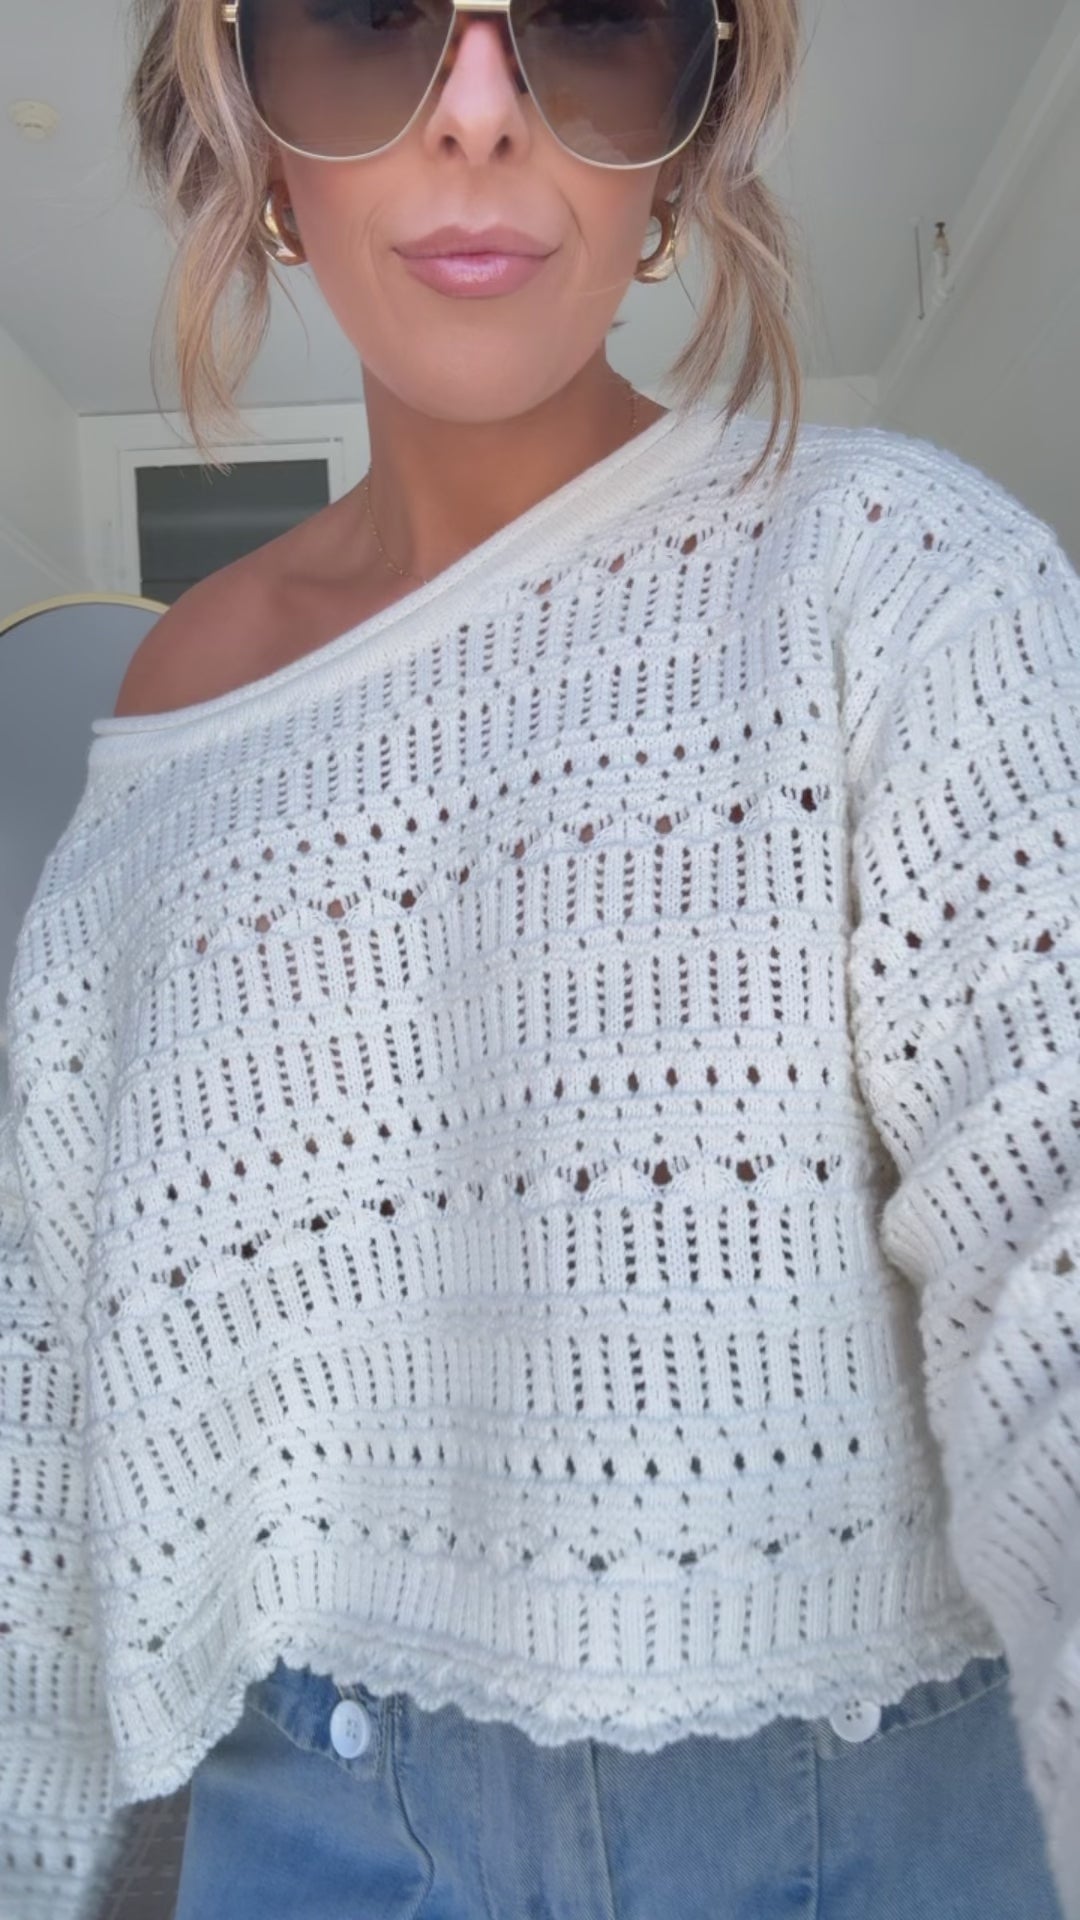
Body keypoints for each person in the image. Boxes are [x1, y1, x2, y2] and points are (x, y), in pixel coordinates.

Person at [1, 0, 1077, 1914]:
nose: (480, 114)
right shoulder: (168, 715)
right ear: (251, 118)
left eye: (589, 22)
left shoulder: (906, 578)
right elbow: (54, 1391)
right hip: (299, 1821)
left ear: (689, 121)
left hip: (858, 1817)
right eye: (368, 21)